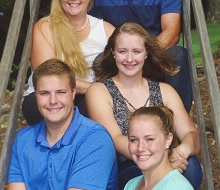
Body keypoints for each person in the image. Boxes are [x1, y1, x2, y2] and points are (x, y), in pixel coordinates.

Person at [85, 22, 202, 190]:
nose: (130, 59)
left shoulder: (165, 90)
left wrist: (181, 151)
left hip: (166, 159)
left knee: (190, 166)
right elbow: (115, 138)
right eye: (122, 51)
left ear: (146, 53)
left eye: (137, 51)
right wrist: (155, 158)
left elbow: (191, 134)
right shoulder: (99, 91)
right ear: (113, 53)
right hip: (128, 165)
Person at [7, 59, 119, 190]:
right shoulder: (23, 140)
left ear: (73, 93)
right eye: (44, 93)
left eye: (61, 92)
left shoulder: (95, 139)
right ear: (35, 95)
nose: (53, 101)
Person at [22, 0, 115, 124]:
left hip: (89, 96)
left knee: (95, 108)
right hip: (50, 97)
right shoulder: (45, 27)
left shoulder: (105, 29)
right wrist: (96, 90)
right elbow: (48, 77)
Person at [124, 106, 194, 190]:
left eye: (149, 139)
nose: (140, 148)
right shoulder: (131, 184)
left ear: (168, 139)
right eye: (134, 140)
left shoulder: (176, 187)